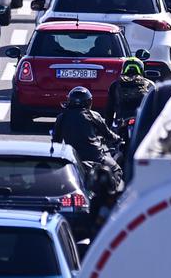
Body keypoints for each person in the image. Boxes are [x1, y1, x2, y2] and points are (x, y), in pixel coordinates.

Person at [51, 86, 124, 220]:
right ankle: (112, 200)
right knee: (117, 169)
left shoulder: (62, 117)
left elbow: (55, 141)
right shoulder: (93, 115)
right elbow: (109, 135)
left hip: (73, 161)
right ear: (89, 102)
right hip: (97, 158)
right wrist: (120, 140)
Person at [106, 56, 155, 130]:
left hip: (121, 122)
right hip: (142, 122)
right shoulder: (150, 84)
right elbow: (154, 106)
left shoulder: (115, 84)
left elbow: (109, 110)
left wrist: (107, 128)